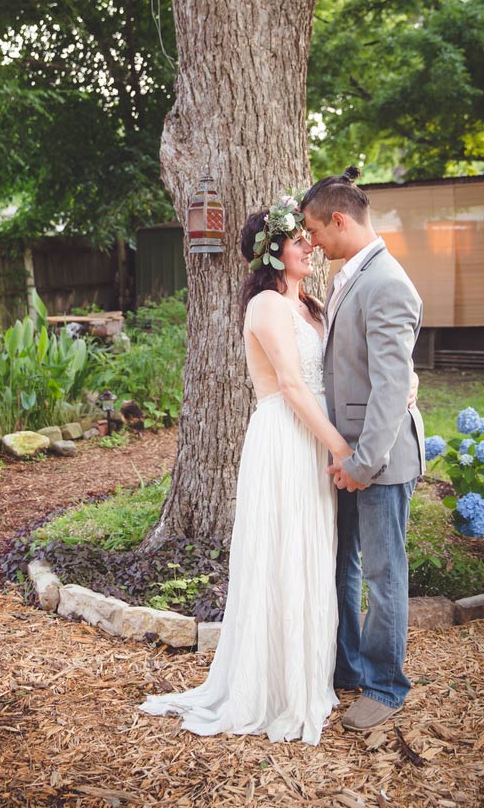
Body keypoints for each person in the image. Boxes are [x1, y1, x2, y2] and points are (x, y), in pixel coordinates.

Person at [139, 195, 353, 744]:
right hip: (286, 438)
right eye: (297, 238)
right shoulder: (265, 306)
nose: (309, 245)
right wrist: (339, 447)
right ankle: (275, 686)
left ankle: (310, 670)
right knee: (284, 550)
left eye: (309, 237)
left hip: (316, 437)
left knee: (312, 549)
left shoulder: (313, 305)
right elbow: (291, 385)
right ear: (271, 251)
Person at [301, 166, 425, 733]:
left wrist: (362, 463)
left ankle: (384, 686)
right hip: (348, 455)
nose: (312, 243)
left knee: (382, 573)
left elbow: (391, 388)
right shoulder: (353, 275)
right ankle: (348, 668)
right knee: (343, 566)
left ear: (339, 220)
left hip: (380, 460)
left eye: (314, 231)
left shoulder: (388, 283)